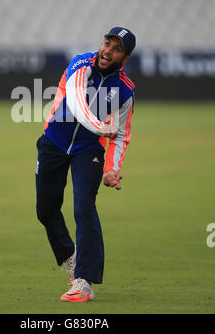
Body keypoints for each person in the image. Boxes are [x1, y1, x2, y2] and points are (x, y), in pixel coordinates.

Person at [35, 26, 136, 302]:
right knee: (45, 210)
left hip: (88, 150)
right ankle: (71, 257)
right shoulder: (81, 63)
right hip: (53, 142)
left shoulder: (125, 90)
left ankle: (83, 280)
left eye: (116, 48)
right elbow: (78, 104)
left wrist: (112, 169)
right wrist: (101, 128)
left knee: (84, 208)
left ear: (124, 59)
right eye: (107, 43)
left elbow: (121, 135)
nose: (108, 50)